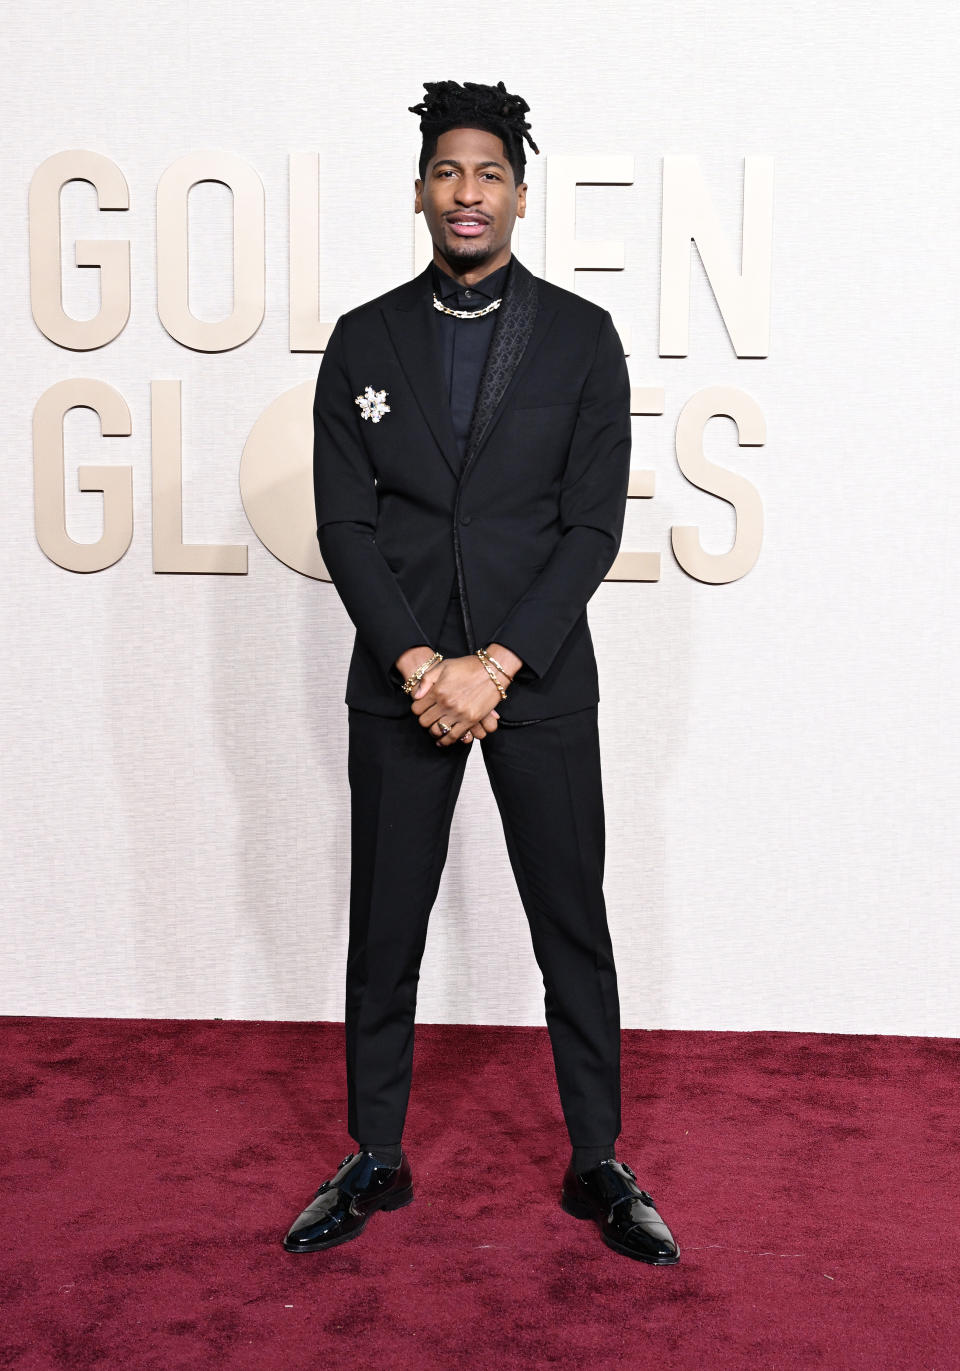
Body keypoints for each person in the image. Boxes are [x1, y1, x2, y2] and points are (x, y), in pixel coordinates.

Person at [283, 79, 680, 1265]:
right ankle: (374, 1154)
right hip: (400, 688)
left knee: (574, 925)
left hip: (540, 681)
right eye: (448, 171)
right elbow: (345, 526)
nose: (469, 192)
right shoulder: (364, 340)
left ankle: (600, 1158)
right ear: (419, 191)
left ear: (519, 192)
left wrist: (495, 664)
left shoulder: (579, 338)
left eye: (490, 173)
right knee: (384, 928)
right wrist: (419, 661)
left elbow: (591, 527)